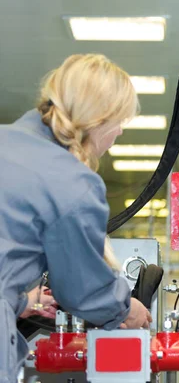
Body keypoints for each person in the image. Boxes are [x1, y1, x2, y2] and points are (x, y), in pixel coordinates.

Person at [0, 54, 152, 383]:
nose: (120, 131)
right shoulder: (71, 181)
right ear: (99, 119)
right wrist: (125, 309)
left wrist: (17, 300)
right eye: (119, 120)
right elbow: (82, 290)